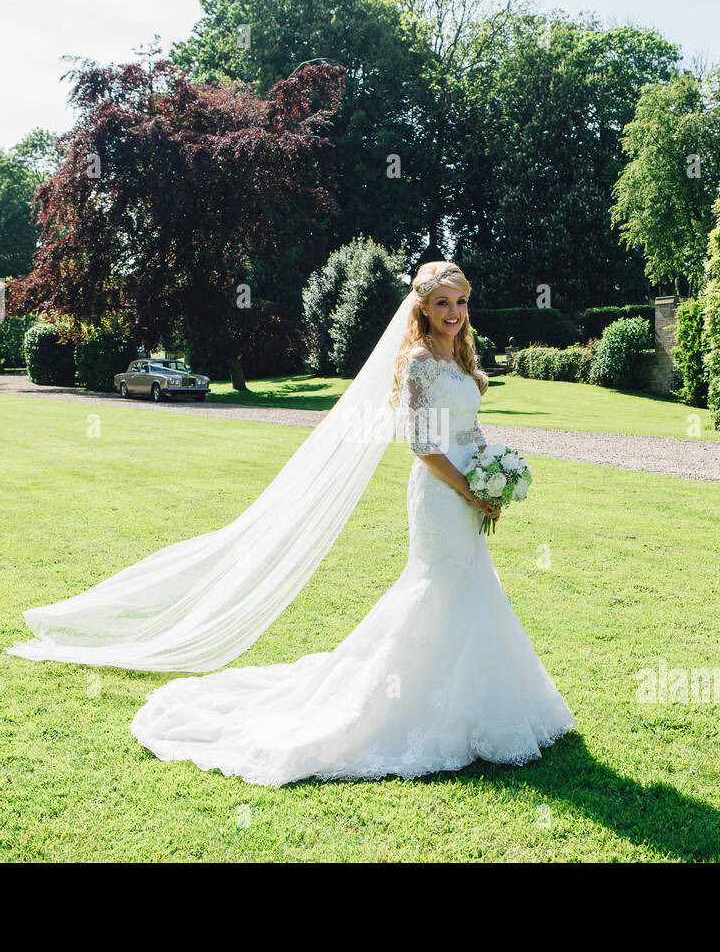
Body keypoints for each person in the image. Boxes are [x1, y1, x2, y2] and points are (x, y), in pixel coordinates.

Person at [126, 262, 576, 785]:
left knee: (470, 587)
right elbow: (424, 446)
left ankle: (477, 707)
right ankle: (402, 706)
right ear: (423, 310)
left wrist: (492, 474)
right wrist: (470, 487)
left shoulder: (461, 357)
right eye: (442, 303)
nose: (453, 313)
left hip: (469, 488)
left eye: (460, 302)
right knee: (437, 587)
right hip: (438, 492)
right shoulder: (419, 363)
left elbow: (469, 427)